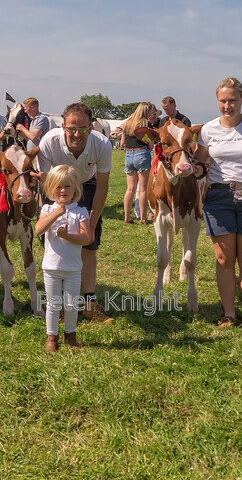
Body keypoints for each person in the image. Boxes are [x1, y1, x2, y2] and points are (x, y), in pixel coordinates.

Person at [194, 77, 242, 331]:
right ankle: (229, 314)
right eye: (223, 101)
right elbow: (200, 164)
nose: (227, 106)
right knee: (223, 257)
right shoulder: (208, 130)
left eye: (232, 101)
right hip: (218, 197)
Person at [37, 103, 113, 322]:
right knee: (54, 243)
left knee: (89, 245)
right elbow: (44, 183)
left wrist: (91, 221)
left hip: (87, 183)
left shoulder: (103, 145)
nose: (76, 134)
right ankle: (58, 303)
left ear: (91, 128)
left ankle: (89, 304)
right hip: (55, 186)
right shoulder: (49, 142)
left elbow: (103, 186)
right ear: (63, 126)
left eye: (82, 128)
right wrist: (48, 213)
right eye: (71, 128)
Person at [35, 165, 90, 352]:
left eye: (67, 186)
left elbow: (87, 238)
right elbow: (39, 229)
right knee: (53, 304)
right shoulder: (47, 209)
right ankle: (52, 336)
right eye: (58, 187)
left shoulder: (80, 211)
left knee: (71, 304)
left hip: (73, 268)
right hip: (51, 267)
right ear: (51, 188)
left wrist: (67, 236)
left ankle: (71, 335)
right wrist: (56, 214)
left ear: (75, 188)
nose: (62, 191)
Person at [120, 102, 154, 224]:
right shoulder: (145, 124)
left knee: (130, 189)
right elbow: (150, 145)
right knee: (143, 189)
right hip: (142, 154)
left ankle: (127, 217)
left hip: (128, 155)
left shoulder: (127, 124)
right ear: (146, 111)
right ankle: (143, 218)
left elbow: (122, 143)